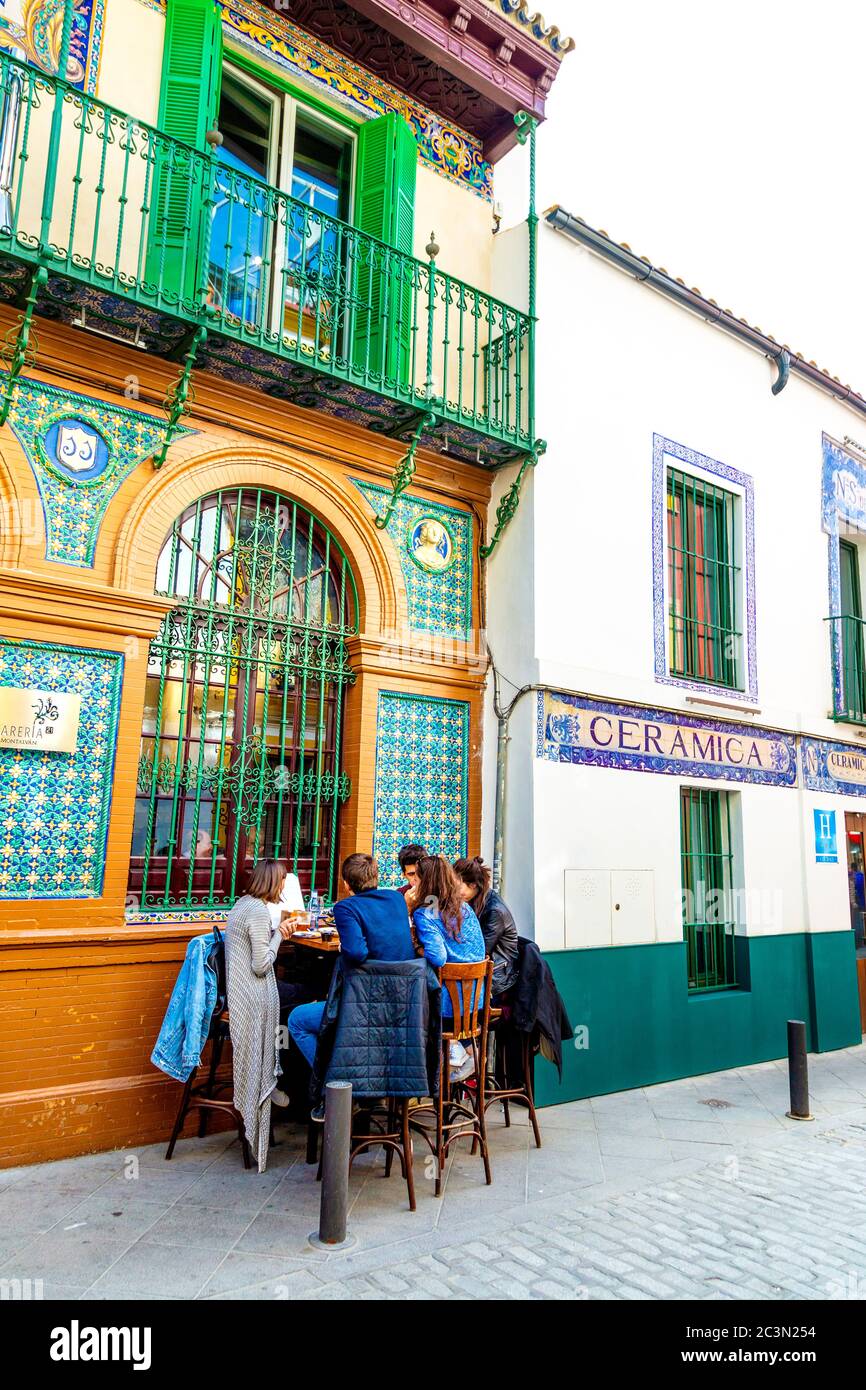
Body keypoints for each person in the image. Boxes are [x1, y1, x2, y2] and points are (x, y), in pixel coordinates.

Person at [287, 852, 416, 1074]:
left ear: (346, 884)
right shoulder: (396, 899)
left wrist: (344, 946)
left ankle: (335, 1085)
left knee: (297, 1020)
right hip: (405, 1004)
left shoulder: (346, 908)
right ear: (376, 877)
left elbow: (356, 952)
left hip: (366, 1006)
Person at [224, 859, 299, 1171]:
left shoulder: (243, 904)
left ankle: (283, 1081)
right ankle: (281, 1082)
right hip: (252, 997)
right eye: (282, 881)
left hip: (240, 992)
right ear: (274, 883)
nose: (284, 886)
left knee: (296, 1001)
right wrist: (280, 933)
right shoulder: (256, 911)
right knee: (306, 999)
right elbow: (260, 965)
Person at [412, 855, 486, 1082]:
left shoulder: (426, 913)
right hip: (476, 1004)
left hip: (447, 1010)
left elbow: (438, 956)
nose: (413, 882)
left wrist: (419, 949)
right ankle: (463, 1054)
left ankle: (426, 1079)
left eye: (417, 877)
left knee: (408, 1014)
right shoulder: (465, 908)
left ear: (426, 882)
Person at [454, 855, 519, 999]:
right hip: (484, 973)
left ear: (473, 885)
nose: (455, 893)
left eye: (457, 887)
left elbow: (478, 951)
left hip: (496, 980)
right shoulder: (476, 902)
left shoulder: (494, 911)